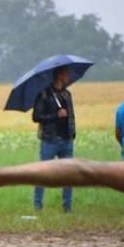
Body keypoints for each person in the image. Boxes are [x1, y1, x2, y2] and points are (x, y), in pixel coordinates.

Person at [32, 66, 75, 212]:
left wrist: (72, 134)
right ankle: (38, 205)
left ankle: (67, 207)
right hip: (50, 140)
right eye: (66, 74)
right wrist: (56, 115)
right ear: (60, 75)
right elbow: (36, 117)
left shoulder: (67, 95)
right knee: (42, 174)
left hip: (66, 140)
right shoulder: (44, 94)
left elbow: (71, 117)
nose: (69, 76)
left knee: (69, 176)